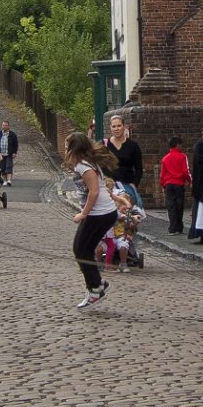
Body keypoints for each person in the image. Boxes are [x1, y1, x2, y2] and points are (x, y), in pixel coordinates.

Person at [65, 131, 118, 308]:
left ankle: (96, 288)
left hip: (100, 214)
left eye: (67, 146)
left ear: (74, 148)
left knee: (81, 250)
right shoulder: (86, 163)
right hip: (103, 213)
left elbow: (94, 192)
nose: (65, 150)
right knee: (82, 249)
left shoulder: (84, 166)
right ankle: (97, 284)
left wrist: (83, 214)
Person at [102, 114, 143, 205]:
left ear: (124, 127)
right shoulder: (104, 145)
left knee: (128, 210)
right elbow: (99, 165)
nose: (116, 129)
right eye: (114, 126)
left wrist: (134, 183)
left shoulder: (133, 145)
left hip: (127, 186)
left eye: (119, 126)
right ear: (110, 128)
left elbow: (139, 168)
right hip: (109, 187)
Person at [158, 136, 191, 234]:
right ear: (178, 145)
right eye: (181, 145)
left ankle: (172, 228)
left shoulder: (165, 158)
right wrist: (190, 180)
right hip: (179, 184)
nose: (182, 146)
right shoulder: (183, 156)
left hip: (169, 184)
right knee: (179, 206)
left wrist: (163, 184)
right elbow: (186, 171)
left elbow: (162, 174)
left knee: (171, 206)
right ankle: (179, 227)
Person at [0, 120, 20, 185]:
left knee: (9, 166)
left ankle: (9, 180)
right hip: (0, 154)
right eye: (3, 125)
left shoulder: (12, 134)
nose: (4, 126)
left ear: (8, 126)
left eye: (6, 125)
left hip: (9, 153)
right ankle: (5, 180)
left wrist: (14, 152)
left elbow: (15, 144)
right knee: (2, 167)